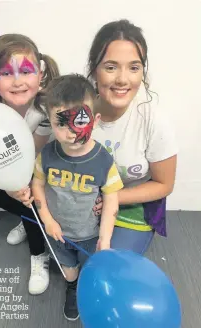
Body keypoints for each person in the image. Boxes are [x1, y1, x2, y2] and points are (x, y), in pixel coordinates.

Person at [22, 74, 123, 320]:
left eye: (80, 121)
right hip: (58, 231)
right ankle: (71, 287)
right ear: (51, 123)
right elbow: (37, 184)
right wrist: (46, 219)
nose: (71, 133)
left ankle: (88, 288)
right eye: (61, 124)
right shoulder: (46, 155)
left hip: (90, 233)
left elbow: (111, 200)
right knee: (68, 267)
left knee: (91, 267)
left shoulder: (103, 161)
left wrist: (105, 238)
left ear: (95, 120)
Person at [0, 29, 59, 294]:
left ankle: (38, 253)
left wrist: (21, 187)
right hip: (0, 166)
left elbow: (33, 153)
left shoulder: (43, 109)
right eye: (6, 73)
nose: (17, 81)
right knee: (0, 199)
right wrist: (8, 187)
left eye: (26, 71)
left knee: (31, 208)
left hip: (36, 165)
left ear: (40, 74)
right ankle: (25, 216)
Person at [87, 19, 178, 253]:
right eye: (111, 67)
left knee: (111, 267)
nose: (122, 79)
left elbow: (164, 184)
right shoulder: (79, 112)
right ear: (94, 69)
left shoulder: (154, 119)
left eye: (134, 67)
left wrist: (114, 197)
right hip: (86, 198)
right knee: (73, 257)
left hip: (132, 201)